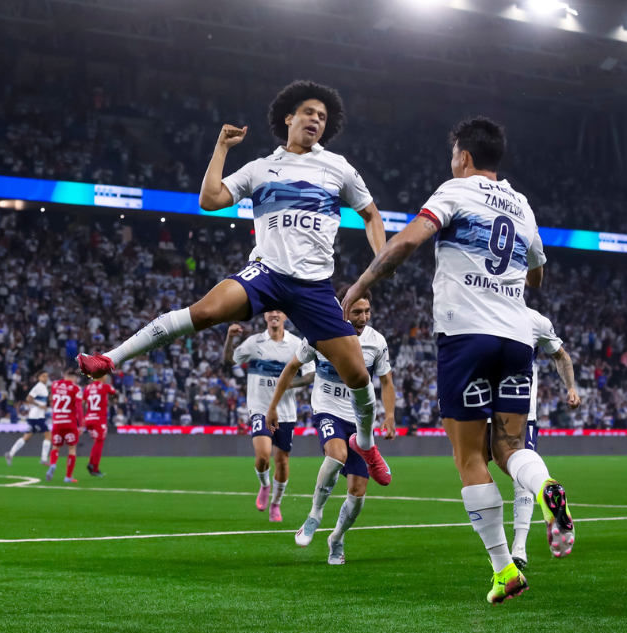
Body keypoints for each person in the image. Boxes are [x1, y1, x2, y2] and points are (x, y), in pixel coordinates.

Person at [78, 80, 392, 485]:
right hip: (267, 273)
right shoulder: (260, 168)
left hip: (314, 286)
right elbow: (209, 200)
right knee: (204, 311)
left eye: (323, 116)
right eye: (310, 112)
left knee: (358, 377)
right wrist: (222, 148)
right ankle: (110, 358)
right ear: (289, 118)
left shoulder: (338, 167)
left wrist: (377, 266)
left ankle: (365, 444)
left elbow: (372, 216)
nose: (316, 119)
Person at [342, 117, 572, 604]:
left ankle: (502, 569)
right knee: (509, 447)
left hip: (466, 336)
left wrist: (360, 284)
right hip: (516, 338)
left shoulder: (455, 189)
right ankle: (547, 485)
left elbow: (406, 241)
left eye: (453, 155)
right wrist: (514, 288)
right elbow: (537, 273)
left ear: (464, 157)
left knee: (470, 456)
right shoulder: (521, 204)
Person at [271, 287, 396, 565]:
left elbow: (387, 381)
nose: (363, 317)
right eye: (356, 312)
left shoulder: (377, 342)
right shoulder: (320, 334)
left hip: (360, 420)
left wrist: (389, 416)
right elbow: (291, 367)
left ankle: (336, 538)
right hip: (327, 411)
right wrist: (272, 406)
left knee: (358, 492)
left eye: (366, 311)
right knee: (336, 455)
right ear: (343, 310)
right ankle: (315, 514)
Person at [223, 311, 315, 521]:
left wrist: (292, 383)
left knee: (282, 461)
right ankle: (265, 485)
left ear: (285, 315)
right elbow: (228, 362)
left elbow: (311, 374)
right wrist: (230, 337)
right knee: (264, 455)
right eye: (270, 311)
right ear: (265, 315)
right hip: (260, 408)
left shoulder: (296, 344)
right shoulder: (254, 342)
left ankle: (276, 503)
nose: (274, 314)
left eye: (279, 311)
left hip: (286, 412)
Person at [510, 307, 581, 569]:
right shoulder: (535, 319)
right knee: (521, 476)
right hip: (518, 411)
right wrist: (571, 388)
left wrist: (571, 386)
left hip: (494, 409)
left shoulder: (479, 309)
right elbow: (560, 355)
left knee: (474, 469)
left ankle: (516, 549)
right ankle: (545, 491)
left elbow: (561, 356)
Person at [6, 371, 52, 466]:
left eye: (46, 376)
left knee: (26, 436)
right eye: (43, 376)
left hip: (35, 416)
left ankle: (10, 453)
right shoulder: (38, 386)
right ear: (39, 377)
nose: (45, 378)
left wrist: (43, 406)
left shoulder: (43, 387)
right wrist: (39, 405)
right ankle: (43, 458)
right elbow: (28, 399)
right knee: (48, 435)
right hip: (37, 416)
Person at [45, 369, 84, 483]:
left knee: (55, 447)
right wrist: (80, 425)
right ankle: (68, 477)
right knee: (71, 449)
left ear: (65, 375)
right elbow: (79, 408)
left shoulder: (54, 385)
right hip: (70, 423)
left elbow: (53, 398)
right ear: (75, 378)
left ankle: (53, 464)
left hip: (57, 422)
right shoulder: (76, 388)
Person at [82, 375, 117, 477]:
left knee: (96, 442)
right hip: (99, 419)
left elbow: (83, 402)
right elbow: (114, 392)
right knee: (99, 442)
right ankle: (94, 468)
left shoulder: (87, 388)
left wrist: (85, 416)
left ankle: (92, 464)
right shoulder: (105, 386)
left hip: (89, 418)